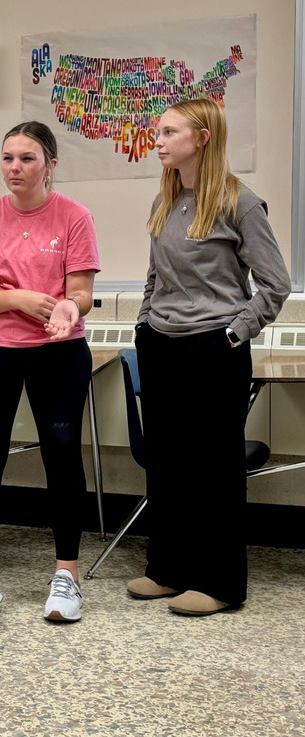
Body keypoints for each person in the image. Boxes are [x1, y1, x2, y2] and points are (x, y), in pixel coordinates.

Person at [127, 98, 290, 616]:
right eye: (158, 131)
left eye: (169, 131)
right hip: (162, 344)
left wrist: (234, 334)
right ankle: (169, 571)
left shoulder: (240, 202)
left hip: (212, 348)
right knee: (168, 464)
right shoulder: (168, 199)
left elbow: (276, 284)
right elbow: (156, 274)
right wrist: (144, 324)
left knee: (214, 469)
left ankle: (220, 583)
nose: (158, 139)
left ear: (201, 138)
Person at [0, 121, 100, 626]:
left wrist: (68, 306)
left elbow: (80, 291)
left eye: (27, 158)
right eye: (8, 158)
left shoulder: (74, 217)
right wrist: (17, 297)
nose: (14, 168)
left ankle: (67, 575)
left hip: (58, 351)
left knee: (62, 455)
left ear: (50, 165)